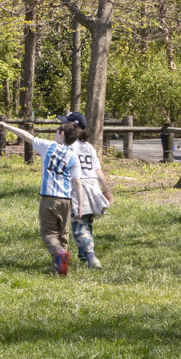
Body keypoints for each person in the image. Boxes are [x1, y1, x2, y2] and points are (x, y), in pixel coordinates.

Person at [0, 114, 83, 275]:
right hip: (66, 200)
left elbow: (26, 136)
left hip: (49, 198)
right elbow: (77, 182)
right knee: (62, 234)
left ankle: (60, 255)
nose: (55, 134)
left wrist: (5, 126)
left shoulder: (48, 146)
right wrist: (81, 206)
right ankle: (58, 268)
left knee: (48, 233)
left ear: (62, 134)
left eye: (57, 131)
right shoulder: (73, 157)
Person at [67, 113, 114, 268]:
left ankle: (91, 257)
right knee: (88, 221)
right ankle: (84, 256)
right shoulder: (89, 147)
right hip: (93, 185)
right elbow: (97, 171)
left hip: (78, 185)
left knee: (79, 222)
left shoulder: (69, 146)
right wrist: (106, 190)